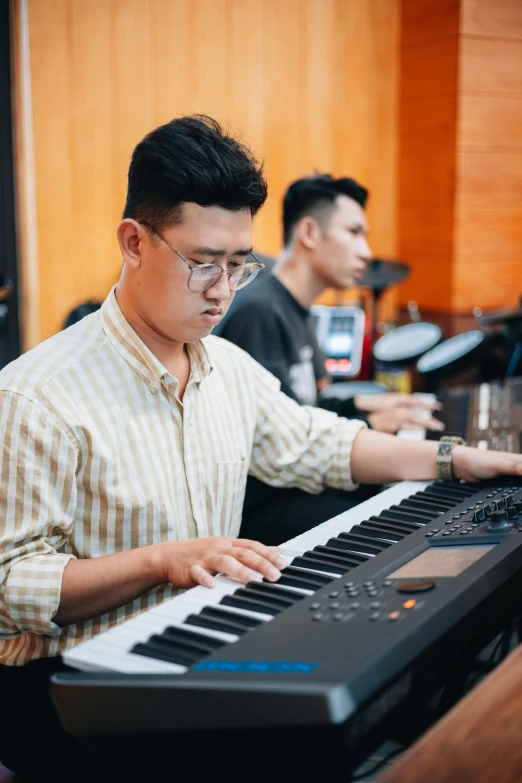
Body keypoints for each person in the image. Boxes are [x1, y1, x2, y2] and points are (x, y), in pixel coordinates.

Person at [0, 115, 520, 782]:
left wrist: (455, 459)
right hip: (67, 685)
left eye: (239, 265)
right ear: (133, 241)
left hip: (196, 642)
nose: (221, 291)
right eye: (202, 263)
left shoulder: (227, 367)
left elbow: (318, 442)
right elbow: (10, 584)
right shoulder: (35, 395)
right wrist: (161, 559)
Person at [215, 173, 445, 541]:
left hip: (295, 480)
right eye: (354, 233)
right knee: (403, 521)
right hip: (266, 502)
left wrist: (369, 405)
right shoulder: (259, 312)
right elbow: (285, 440)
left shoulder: (298, 308)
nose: (367, 252)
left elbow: (311, 401)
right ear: (309, 232)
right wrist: (369, 425)